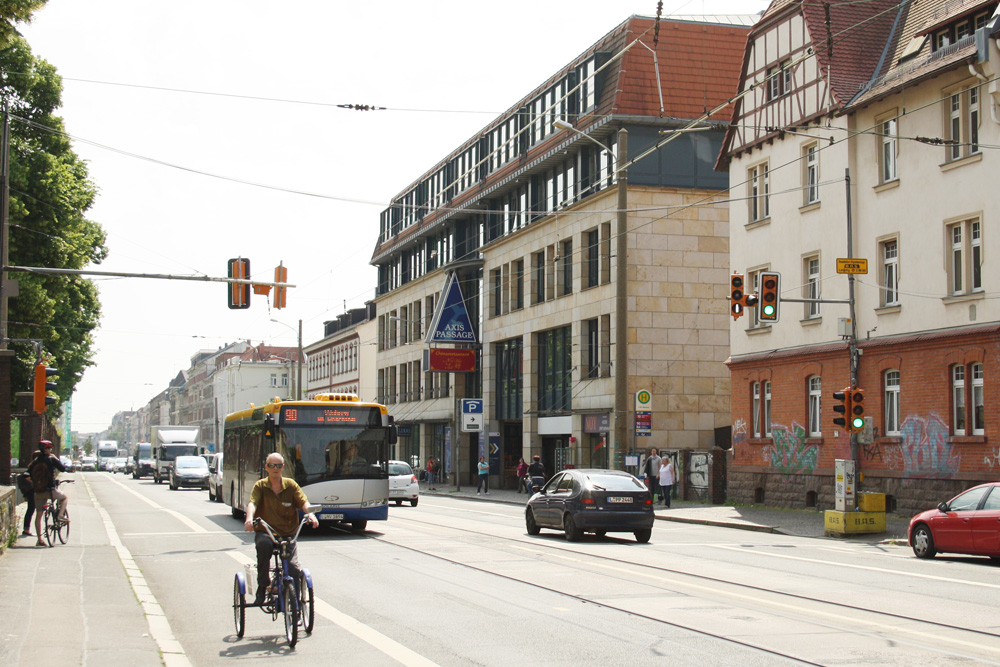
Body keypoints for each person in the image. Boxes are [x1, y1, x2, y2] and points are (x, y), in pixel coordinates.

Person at [244, 452, 319, 605]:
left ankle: (295, 603)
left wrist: (311, 514)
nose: (275, 468)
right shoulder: (260, 486)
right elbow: (253, 503)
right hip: (266, 532)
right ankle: (263, 586)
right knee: (263, 546)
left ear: (283, 467)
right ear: (266, 467)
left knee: (293, 568)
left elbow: (303, 502)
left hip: (288, 533)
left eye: (278, 465)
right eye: (272, 465)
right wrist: (249, 518)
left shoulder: (290, 485)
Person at [29, 441, 68, 546]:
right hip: (50, 491)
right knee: (64, 498)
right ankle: (60, 516)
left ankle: (40, 540)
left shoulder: (36, 461)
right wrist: (56, 458)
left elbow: (28, 473)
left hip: (38, 492)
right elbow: (63, 469)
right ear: (46, 449)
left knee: (39, 515)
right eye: (50, 448)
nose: (50, 450)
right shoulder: (51, 459)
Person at [16, 468, 34, 536]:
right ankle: (26, 529)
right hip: (31, 492)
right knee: (30, 510)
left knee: (30, 510)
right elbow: (26, 476)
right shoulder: (30, 470)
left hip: (31, 492)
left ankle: (26, 529)